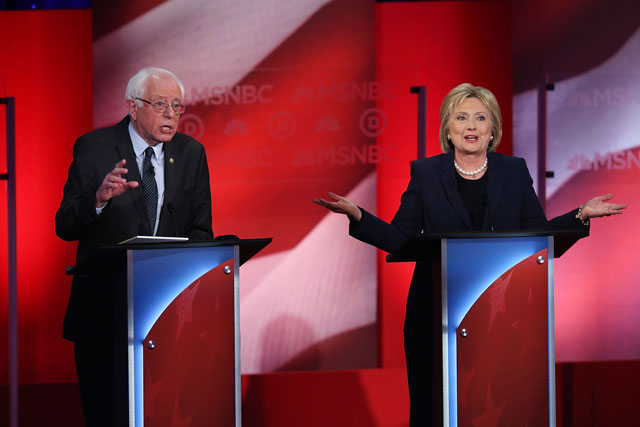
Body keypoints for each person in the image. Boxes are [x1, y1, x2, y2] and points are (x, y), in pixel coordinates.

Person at [313, 83, 626, 426]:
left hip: (500, 316)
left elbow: (538, 237)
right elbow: (401, 239)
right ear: (448, 127)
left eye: (481, 117)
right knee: (432, 408)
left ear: (494, 128)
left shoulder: (513, 171)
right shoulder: (427, 173)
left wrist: (580, 214)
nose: (471, 126)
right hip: (435, 313)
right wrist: (359, 215)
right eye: (461, 117)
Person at [55, 67, 214, 426]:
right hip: (103, 313)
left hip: (164, 317)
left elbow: (202, 231)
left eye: (177, 106)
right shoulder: (94, 148)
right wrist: (97, 201)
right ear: (132, 106)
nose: (171, 114)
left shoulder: (192, 154)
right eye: (160, 104)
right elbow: (64, 225)